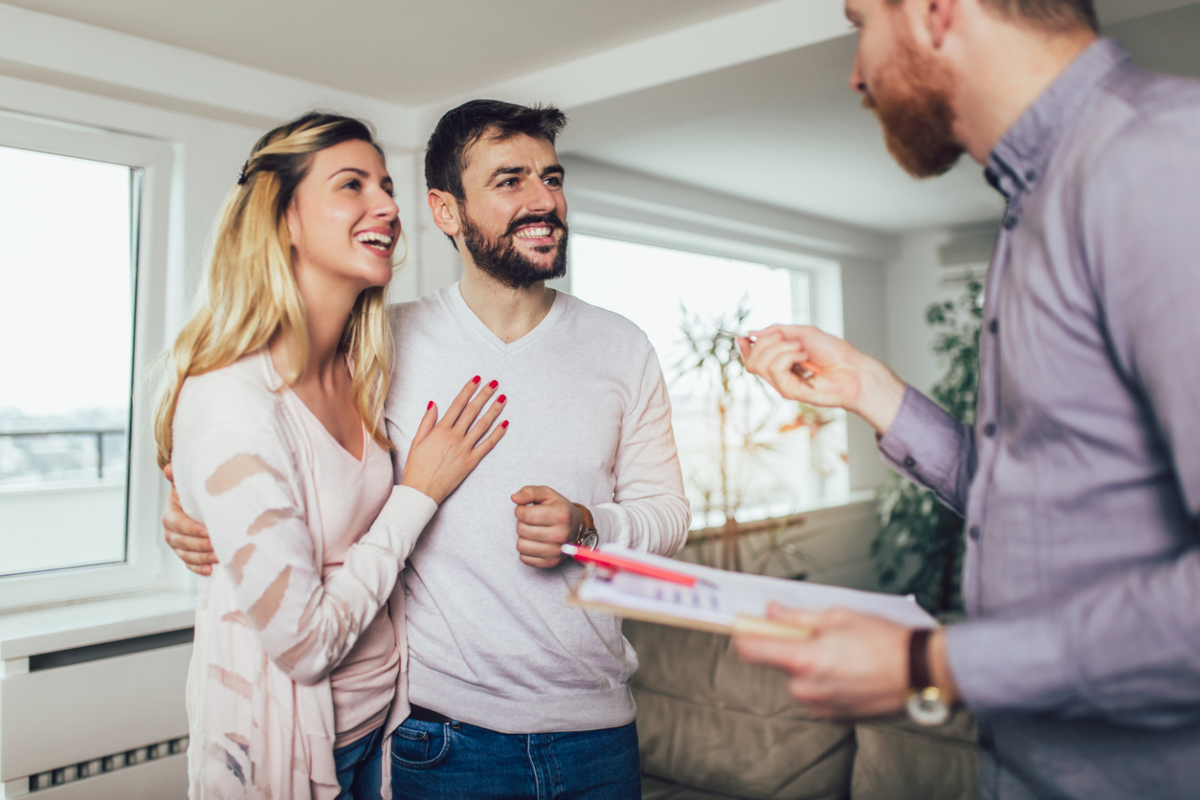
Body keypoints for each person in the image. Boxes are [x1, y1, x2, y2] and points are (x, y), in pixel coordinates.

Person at [731, 0, 1200, 798]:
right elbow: (1050, 500)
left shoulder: (1156, 160)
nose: (856, 73)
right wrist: (872, 390)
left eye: (858, 24)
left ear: (932, 10)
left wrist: (931, 662)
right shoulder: (1037, 203)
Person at [165, 100, 691, 799]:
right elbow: (267, 427)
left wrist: (589, 526)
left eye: (552, 178)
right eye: (511, 181)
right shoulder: (381, 345)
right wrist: (186, 509)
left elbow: (670, 516)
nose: (545, 201)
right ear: (446, 211)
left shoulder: (623, 348)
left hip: (597, 733)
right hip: (440, 740)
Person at [156, 112, 508, 800]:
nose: (388, 206)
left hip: (381, 738)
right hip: (289, 753)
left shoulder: (365, 367)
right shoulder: (231, 403)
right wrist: (419, 495)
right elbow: (306, 645)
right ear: (283, 218)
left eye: (386, 185)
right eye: (352, 185)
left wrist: (186, 507)